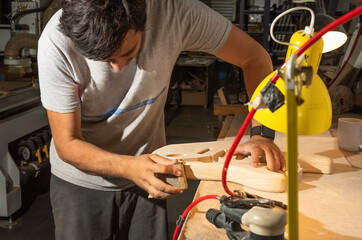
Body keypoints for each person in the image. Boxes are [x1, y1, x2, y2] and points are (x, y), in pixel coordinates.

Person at [38, 0, 285, 239]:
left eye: (128, 53)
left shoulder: (174, 12)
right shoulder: (56, 42)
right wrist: (128, 166)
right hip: (80, 182)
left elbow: (255, 56)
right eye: (105, 60)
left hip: (149, 175)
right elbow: (67, 143)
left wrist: (262, 132)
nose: (117, 69)